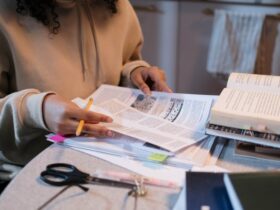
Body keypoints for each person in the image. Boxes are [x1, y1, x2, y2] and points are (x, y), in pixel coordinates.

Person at [0, 0, 172, 165]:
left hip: (109, 153)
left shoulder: (117, 5)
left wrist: (135, 73)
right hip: (32, 167)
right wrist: (36, 110)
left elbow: (124, 61)